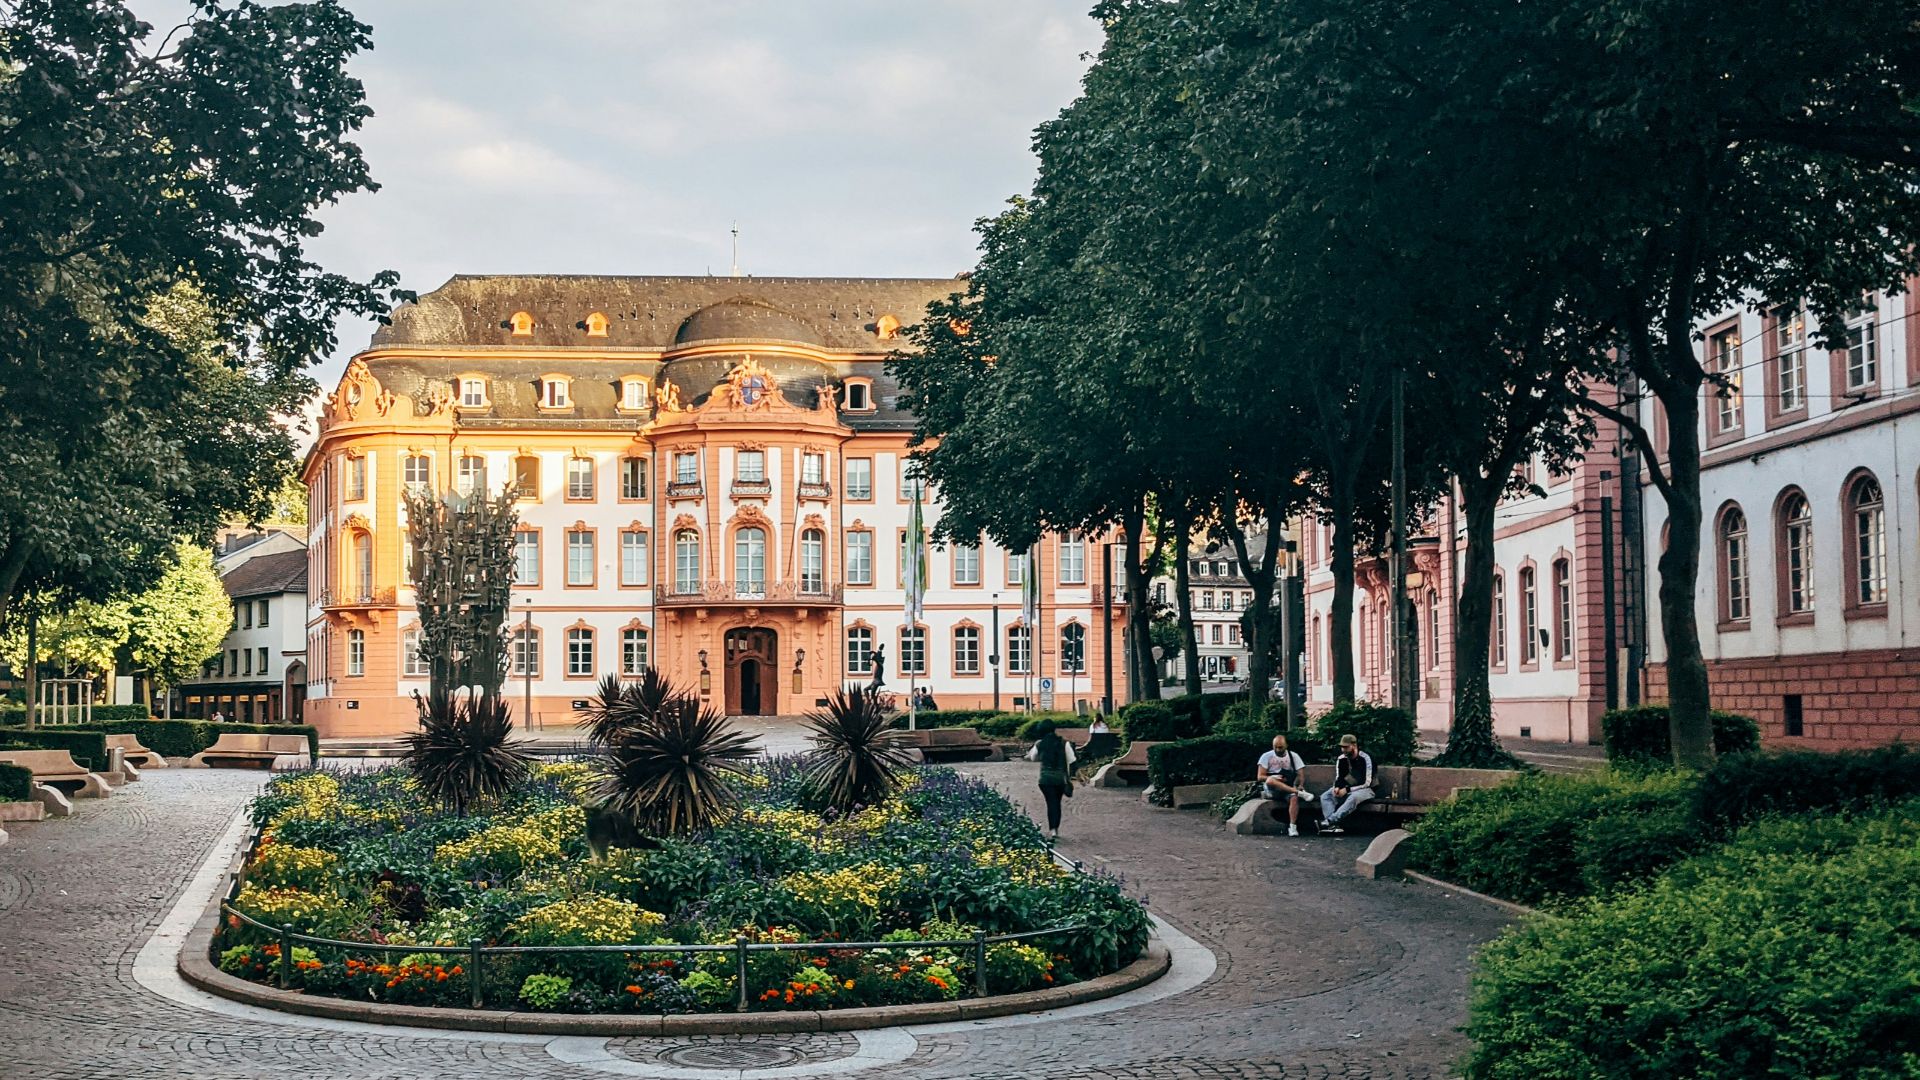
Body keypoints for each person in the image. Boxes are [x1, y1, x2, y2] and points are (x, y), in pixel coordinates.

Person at [1025, 719, 1077, 841]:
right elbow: (1072, 759)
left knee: (1050, 802)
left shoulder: (1040, 744)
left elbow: (1033, 757)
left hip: (1045, 779)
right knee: (1056, 803)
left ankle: (1052, 829)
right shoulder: (1064, 743)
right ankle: (1055, 829)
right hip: (1059, 779)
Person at [1318, 734, 1376, 834]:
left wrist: (1347, 790)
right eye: (1342, 747)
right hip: (1346, 788)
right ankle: (1332, 826)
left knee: (1353, 798)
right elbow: (1339, 777)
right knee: (1325, 796)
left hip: (1366, 789)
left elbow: (1367, 782)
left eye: (1346, 747)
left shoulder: (1365, 758)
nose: (1343, 750)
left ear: (1354, 745)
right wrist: (1337, 787)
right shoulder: (1341, 759)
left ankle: (1329, 821)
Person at [1256, 734, 1311, 836]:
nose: (1277, 749)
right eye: (1275, 747)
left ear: (1286, 745)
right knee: (1270, 781)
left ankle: (1293, 827)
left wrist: (1300, 785)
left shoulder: (1293, 756)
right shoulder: (1266, 756)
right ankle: (1298, 793)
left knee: (1294, 798)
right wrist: (1275, 777)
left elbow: (1300, 775)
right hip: (1272, 789)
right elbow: (1260, 777)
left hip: (1287, 787)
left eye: (1280, 747)